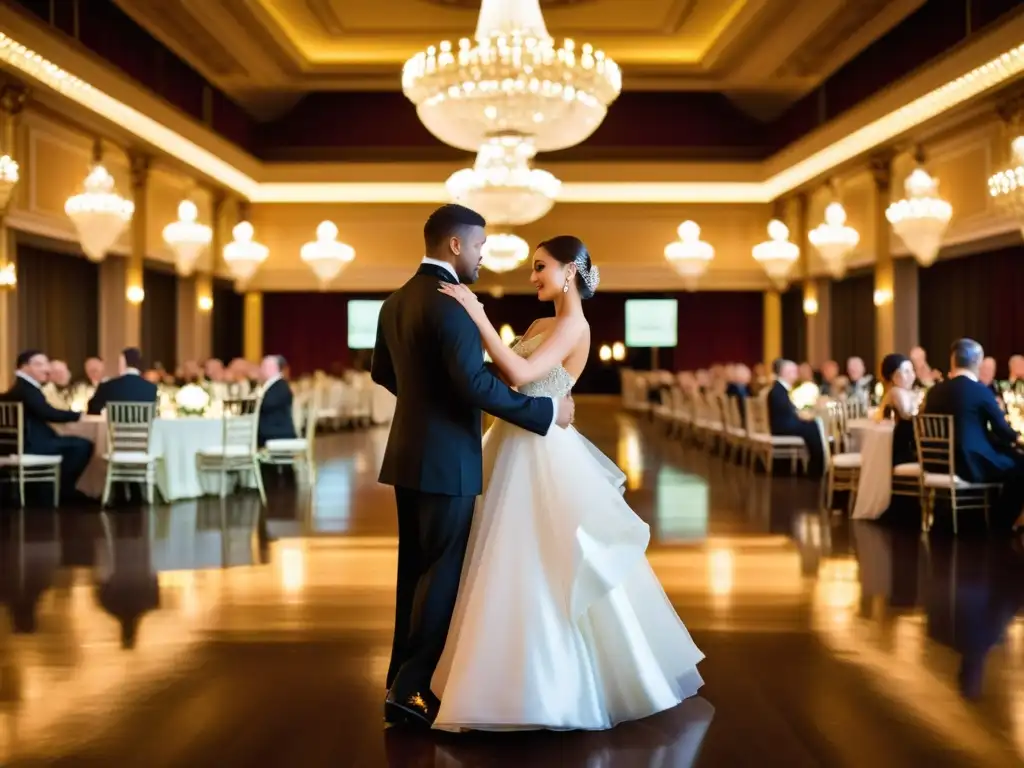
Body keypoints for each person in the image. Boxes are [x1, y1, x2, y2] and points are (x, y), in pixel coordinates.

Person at [433, 235, 704, 732]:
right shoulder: (540, 323)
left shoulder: (575, 324)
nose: (532, 276)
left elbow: (518, 370)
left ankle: (554, 687)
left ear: (570, 270)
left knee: (544, 558)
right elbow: (506, 377)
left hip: (541, 450)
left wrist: (476, 314)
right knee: (501, 552)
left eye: (540, 267)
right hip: (511, 439)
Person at [371, 204, 575, 728]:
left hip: (407, 456)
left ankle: (399, 678)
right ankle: (410, 690)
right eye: (481, 246)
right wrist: (545, 412)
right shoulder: (454, 304)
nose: (485, 255)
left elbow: (382, 372)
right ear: (456, 245)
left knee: (412, 572)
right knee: (440, 576)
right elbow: (475, 386)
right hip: (448, 461)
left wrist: (428, 403)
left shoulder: (394, 302)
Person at [922, 338, 1024, 527]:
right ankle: (1000, 522)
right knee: (1020, 464)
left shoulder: (935, 391)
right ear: (977, 362)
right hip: (969, 463)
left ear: (953, 362)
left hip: (935, 462)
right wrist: (1017, 437)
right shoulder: (980, 391)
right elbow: (1002, 430)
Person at [1, 350, 92, 500]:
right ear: (24, 368)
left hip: (22, 443)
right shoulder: (28, 390)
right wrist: (78, 415)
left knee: (73, 442)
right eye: (39, 364)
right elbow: (48, 413)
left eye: (46, 364)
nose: (46, 369)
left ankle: (51, 489)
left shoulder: (18, 388)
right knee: (83, 445)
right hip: (32, 444)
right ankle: (61, 491)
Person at [766, 359, 825, 477]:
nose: (796, 374)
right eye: (793, 372)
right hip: (782, 427)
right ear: (785, 373)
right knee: (813, 427)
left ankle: (816, 465)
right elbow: (786, 414)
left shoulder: (779, 389)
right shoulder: (779, 390)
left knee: (811, 425)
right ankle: (817, 467)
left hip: (783, 423)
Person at [87, 348, 157, 415]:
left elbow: (92, 409)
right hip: (143, 427)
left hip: (114, 427)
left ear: (123, 361)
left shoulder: (108, 386)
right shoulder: (151, 388)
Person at [878, 353, 917, 466]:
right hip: (901, 451)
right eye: (906, 371)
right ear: (893, 376)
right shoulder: (896, 392)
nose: (911, 375)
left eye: (912, 370)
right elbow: (907, 414)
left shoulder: (905, 392)